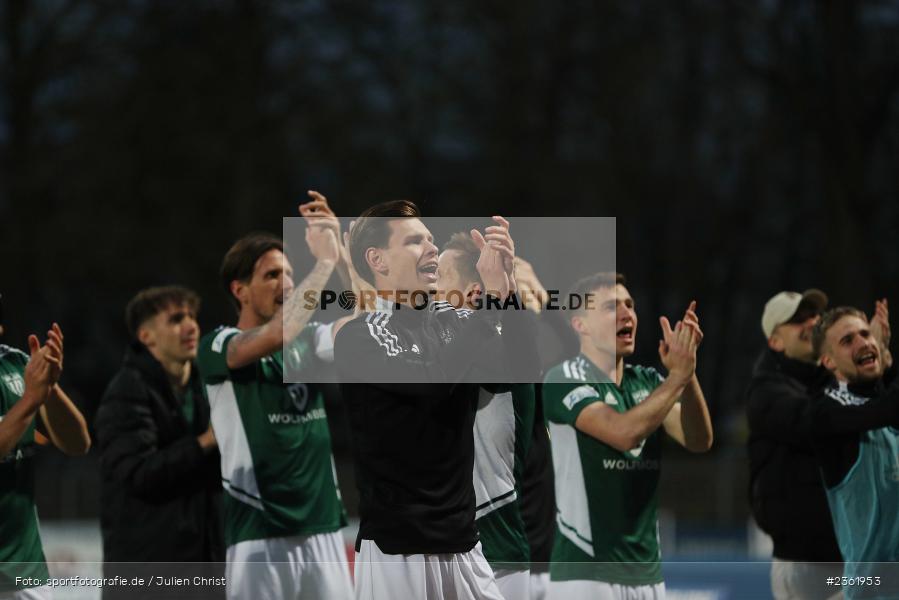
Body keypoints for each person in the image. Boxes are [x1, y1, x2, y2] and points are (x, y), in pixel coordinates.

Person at [336, 202, 519, 600]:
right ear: (377, 259)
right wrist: (488, 310)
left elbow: (507, 375)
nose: (432, 248)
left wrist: (505, 295)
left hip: (466, 545)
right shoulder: (360, 336)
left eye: (431, 238)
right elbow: (430, 383)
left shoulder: (454, 318)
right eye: (415, 241)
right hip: (398, 552)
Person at [196, 192, 352, 600]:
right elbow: (274, 334)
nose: (285, 283)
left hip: (323, 528)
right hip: (260, 531)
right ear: (240, 290)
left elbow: (369, 323)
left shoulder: (311, 343)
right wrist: (324, 264)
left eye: (288, 274)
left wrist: (344, 257)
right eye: (271, 275)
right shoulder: (217, 344)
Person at [543, 272, 713, 600]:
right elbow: (623, 434)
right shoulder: (563, 378)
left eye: (630, 305)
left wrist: (688, 374)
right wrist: (676, 378)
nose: (627, 314)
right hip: (586, 576)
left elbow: (698, 440)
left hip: (648, 576)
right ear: (581, 325)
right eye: (610, 307)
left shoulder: (648, 381)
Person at [94, 286, 223, 598]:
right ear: (146, 336)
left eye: (192, 316)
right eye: (176, 319)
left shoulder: (210, 385)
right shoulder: (126, 392)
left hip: (205, 568)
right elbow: (139, 475)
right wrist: (205, 442)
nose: (191, 326)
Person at [437, 233, 537, 600]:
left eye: (439, 279)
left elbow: (521, 353)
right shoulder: (442, 346)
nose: (429, 290)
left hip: (495, 551)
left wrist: (505, 290)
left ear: (475, 293)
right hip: (443, 547)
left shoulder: (495, 352)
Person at [746, 289, 843, 600]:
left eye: (814, 316)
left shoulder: (828, 380)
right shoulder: (766, 392)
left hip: (850, 556)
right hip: (806, 564)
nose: (812, 323)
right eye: (798, 319)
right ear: (776, 341)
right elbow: (815, 423)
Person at [0, 298, 91, 599]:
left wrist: (48, 389)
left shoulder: (15, 365)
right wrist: (29, 400)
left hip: (28, 573)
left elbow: (78, 444)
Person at [807, 303, 899, 600]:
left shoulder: (881, 405)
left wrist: (884, 356)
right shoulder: (826, 415)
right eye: (848, 341)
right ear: (829, 362)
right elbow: (878, 409)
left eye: (865, 334)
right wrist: (881, 353)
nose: (862, 342)